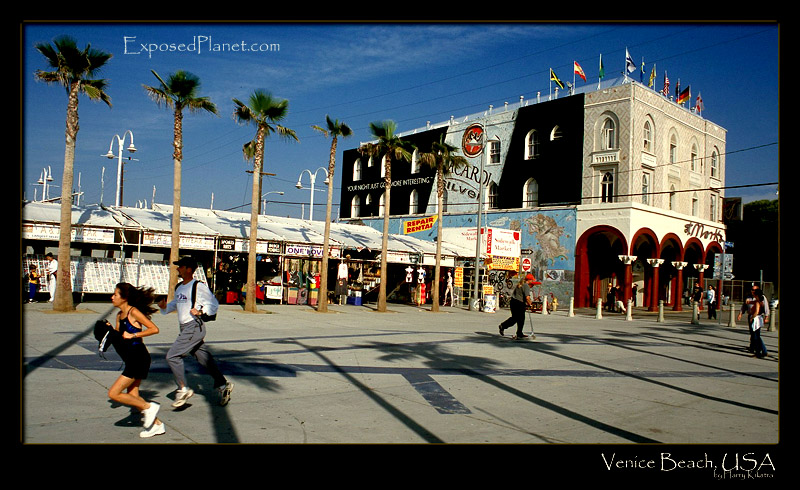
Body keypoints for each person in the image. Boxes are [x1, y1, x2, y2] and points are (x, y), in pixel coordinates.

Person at [158, 256, 233, 408]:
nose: (178, 269)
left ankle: (183, 388)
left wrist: (201, 312)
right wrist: (164, 307)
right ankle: (223, 385)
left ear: (189, 269)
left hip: (193, 327)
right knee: (203, 359)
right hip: (185, 327)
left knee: (172, 356)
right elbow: (176, 305)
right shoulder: (179, 287)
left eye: (181, 266)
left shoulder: (198, 286)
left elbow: (213, 304)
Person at [105, 282, 165, 438]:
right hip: (131, 358)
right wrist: (108, 332)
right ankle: (157, 425)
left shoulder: (134, 312)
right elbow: (119, 338)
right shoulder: (119, 316)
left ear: (124, 298)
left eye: (115, 294)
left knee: (114, 394)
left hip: (139, 358)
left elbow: (154, 329)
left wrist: (134, 335)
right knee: (133, 394)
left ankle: (149, 407)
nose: (112, 297)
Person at [499, 273, 536, 340]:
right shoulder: (526, 286)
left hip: (513, 302)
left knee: (517, 318)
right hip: (519, 303)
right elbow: (527, 297)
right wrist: (530, 304)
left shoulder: (520, 284)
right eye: (532, 280)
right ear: (530, 280)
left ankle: (507, 327)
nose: (533, 281)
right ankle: (515, 331)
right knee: (519, 319)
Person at [738, 287, 768, 358]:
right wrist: (748, 302)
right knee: (756, 336)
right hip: (757, 318)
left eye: (754, 292)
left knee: (755, 336)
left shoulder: (758, 302)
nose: (753, 293)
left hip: (756, 319)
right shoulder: (757, 301)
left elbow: (756, 312)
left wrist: (752, 317)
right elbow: (748, 303)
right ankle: (763, 351)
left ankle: (758, 352)